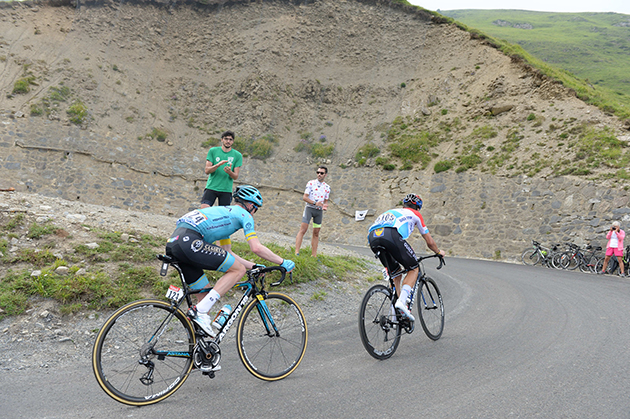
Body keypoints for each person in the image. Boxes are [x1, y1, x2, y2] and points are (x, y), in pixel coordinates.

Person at [166, 185, 295, 340]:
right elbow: (256, 247)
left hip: (175, 243)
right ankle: (198, 311)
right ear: (249, 205)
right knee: (238, 270)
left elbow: (227, 252)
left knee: (205, 297)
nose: (254, 213)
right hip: (190, 240)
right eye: (256, 209)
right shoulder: (243, 214)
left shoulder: (223, 214)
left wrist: (253, 266)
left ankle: (199, 356)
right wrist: (283, 261)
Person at [367, 193, 445, 322]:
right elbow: (430, 242)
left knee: (396, 273)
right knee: (414, 268)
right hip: (391, 235)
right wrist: (438, 252)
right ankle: (402, 302)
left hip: (373, 237)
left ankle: (395, 316)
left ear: (404, 204)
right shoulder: (416, 214)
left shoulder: (393, 211)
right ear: (418, 207)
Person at [294, 166, 331, 257]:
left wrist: (325, 206)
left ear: (325, 175)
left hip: (319, 212)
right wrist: (314, 203)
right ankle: (296, 252)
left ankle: (314, 255)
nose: (319, 174)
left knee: (316, 233)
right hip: (309, 209)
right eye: (318, 172)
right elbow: (304, 197)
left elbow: (326, 201)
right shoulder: (311, 183)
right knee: (303, 230)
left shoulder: (327, 187)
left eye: (321, 173)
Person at [200, 130, 242, 208]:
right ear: (222, 139)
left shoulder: (237, 155)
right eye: (226, 139)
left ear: (233, 141)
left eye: (230, 139)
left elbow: (235, 176)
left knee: (224, 215)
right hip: (211, 187)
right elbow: (207, 171)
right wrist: (218, 165)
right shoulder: (213, 151)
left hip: (226, 189)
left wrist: (230, 172)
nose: (228, 141)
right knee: (204, 208)